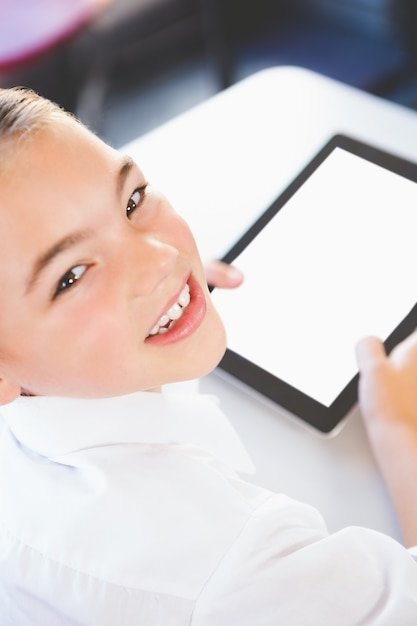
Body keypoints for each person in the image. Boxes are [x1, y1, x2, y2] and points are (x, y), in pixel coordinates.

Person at [0, 86, 416, 626]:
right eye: (72, 276)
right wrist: (400, 432)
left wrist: (161, 298)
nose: (161, 258)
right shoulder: (228, 567)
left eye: (131, 202)